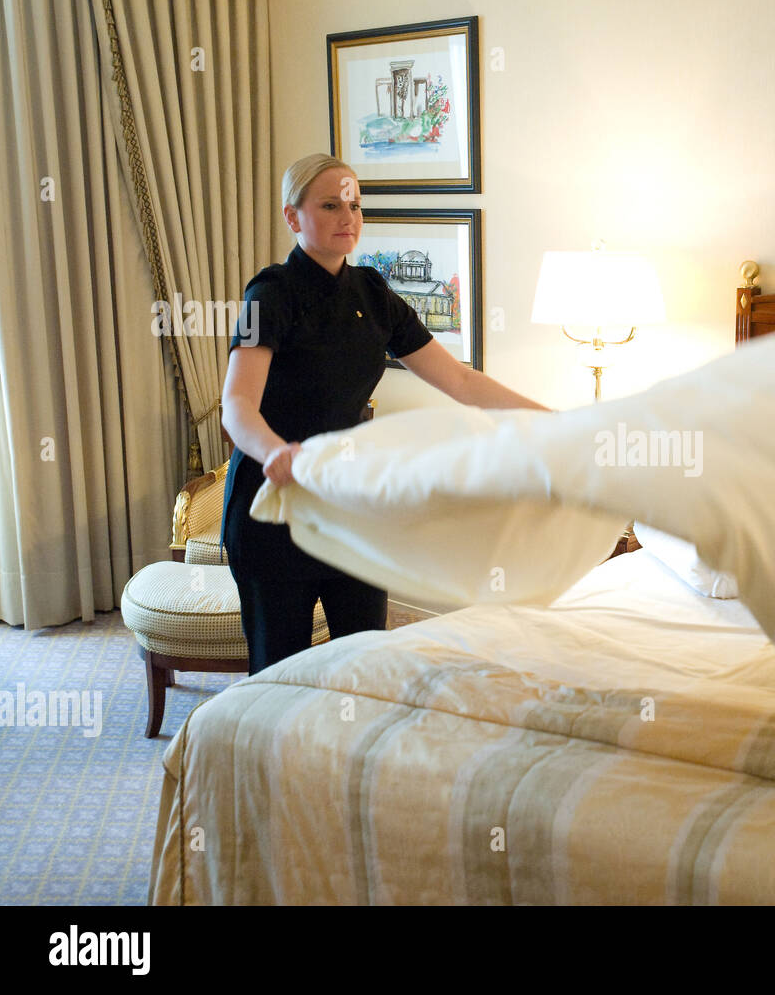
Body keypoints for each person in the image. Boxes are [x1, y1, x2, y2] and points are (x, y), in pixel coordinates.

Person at [221, 152, 547, 674]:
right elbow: (236, 405)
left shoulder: (372, 293)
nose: (348, 218)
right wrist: (274, 451)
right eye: (330, 205)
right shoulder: (269, 296)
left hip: (352, 506)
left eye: (354, 205)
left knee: (367, 660)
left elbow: (461, 380)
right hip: (277, 507)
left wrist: (551, 419)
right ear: (292, 216)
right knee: (280, 676)